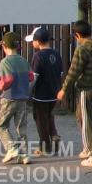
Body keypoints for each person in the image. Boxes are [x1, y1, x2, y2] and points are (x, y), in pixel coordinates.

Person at [57, 21, 92, 168]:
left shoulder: (81, 49)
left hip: (86, 88)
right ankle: (87, 147)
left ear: (77, 35)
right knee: (80, 115)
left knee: (87, 122)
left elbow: (73, 71)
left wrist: (63, 89)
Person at [0, 31, 33, 165]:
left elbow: (8, 80)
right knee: (21, 128)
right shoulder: (23, 60)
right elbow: (30, 77)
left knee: (0, 124)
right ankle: (24, 155)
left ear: (4, 46)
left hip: (9, 98)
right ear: (18, 46)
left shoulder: (5, 62)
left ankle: (11, 148)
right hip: (22, 98)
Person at [26, 27, 64, 156]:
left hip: (40, 95)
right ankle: (54, 135)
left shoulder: (38, 56)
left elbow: (34, 77)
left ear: (37, 41)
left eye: (33, 40)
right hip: (54, 93)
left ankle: (45, 147)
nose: (32, 43)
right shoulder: (56, 54)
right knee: (49, 116)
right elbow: (60, 73)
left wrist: (28, 93)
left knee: (40, 120)